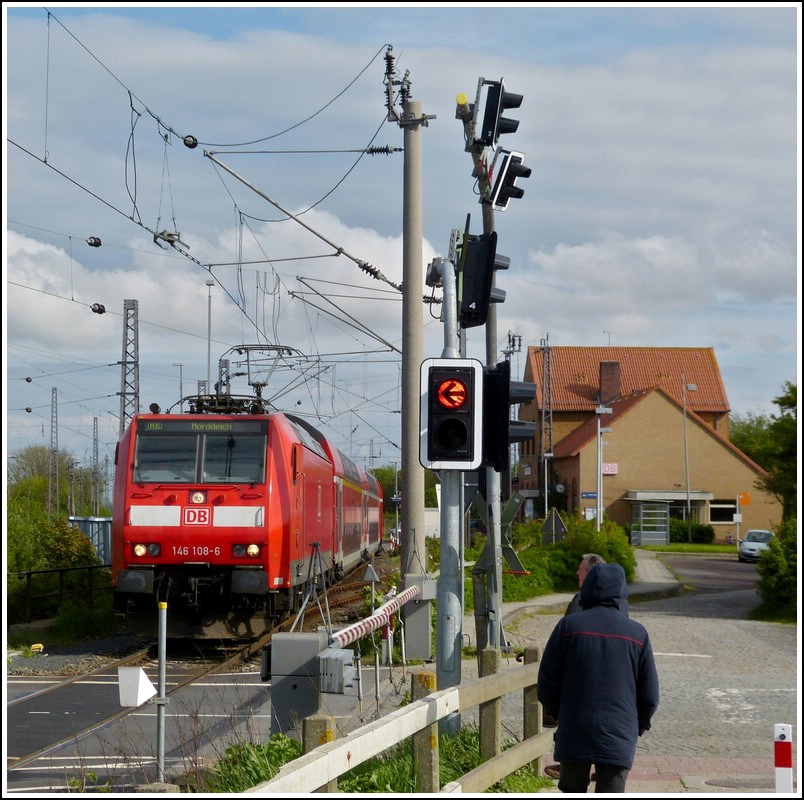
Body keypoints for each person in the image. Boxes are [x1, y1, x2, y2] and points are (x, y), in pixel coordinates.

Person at [537, 562, 659, 793]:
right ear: (622, 591)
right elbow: (649, 693)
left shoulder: (568, 626)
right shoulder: (637, 634)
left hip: (575, 725)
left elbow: (547, 681)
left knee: (572, 790)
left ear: (589, 588)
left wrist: (557, 712)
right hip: (619, 730)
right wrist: (637, 726)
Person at [543, 553, 608, 780]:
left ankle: (571, 765)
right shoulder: (618, 604)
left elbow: (564, 651)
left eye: (580, 569)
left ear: (590, 574)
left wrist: (550, 705)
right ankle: (601, 767)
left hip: (581, 678)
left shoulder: (579, 602)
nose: (576, 573)